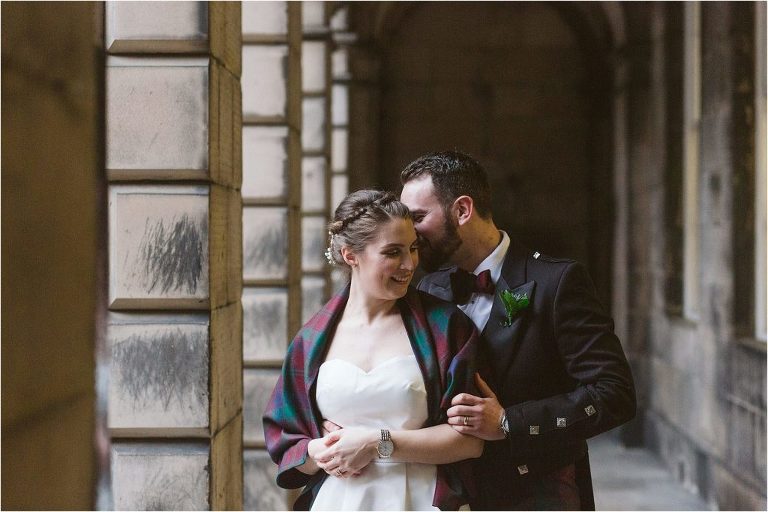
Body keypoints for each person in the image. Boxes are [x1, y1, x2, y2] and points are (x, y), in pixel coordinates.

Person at [399, 151, 637, 510]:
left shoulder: (556, 282)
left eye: (418, 217)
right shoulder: (430, 289)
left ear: (462, 210)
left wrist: (510, 422)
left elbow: (615, 394)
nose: (410, 233)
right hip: (444, 495)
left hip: (537, 495)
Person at [263, 190, 484, 511]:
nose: (409, 264)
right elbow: (288, 447)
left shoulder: (447, 327)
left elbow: (470, 441)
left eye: (413, 248)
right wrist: (318, 452)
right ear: (351, 255)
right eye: (393, 252)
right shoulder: (310, 341)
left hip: (420, 499)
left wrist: (375, 443)